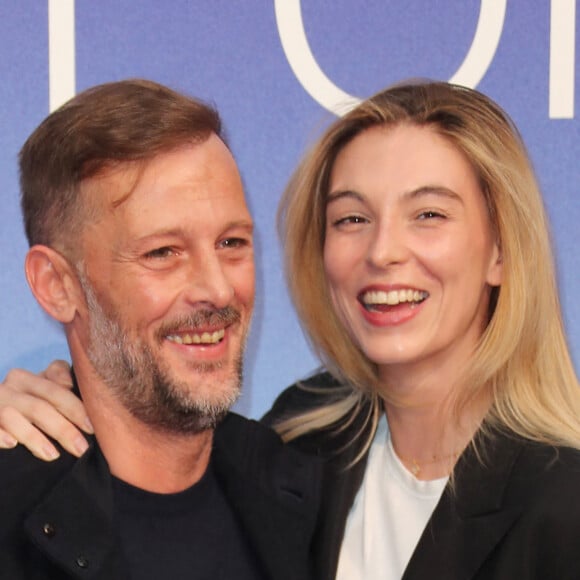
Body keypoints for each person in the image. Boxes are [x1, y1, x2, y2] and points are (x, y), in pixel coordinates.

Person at [3, 81, 580, 579]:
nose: (383, 252)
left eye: (428, 214)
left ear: (501, 250)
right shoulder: (304, 443)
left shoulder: (560, 503)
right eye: (352, 218)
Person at [0, 79, 321, 579]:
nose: (217, 290)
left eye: (231, 243)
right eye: (162, 252)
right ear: (57, 286)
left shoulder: (308, 494)